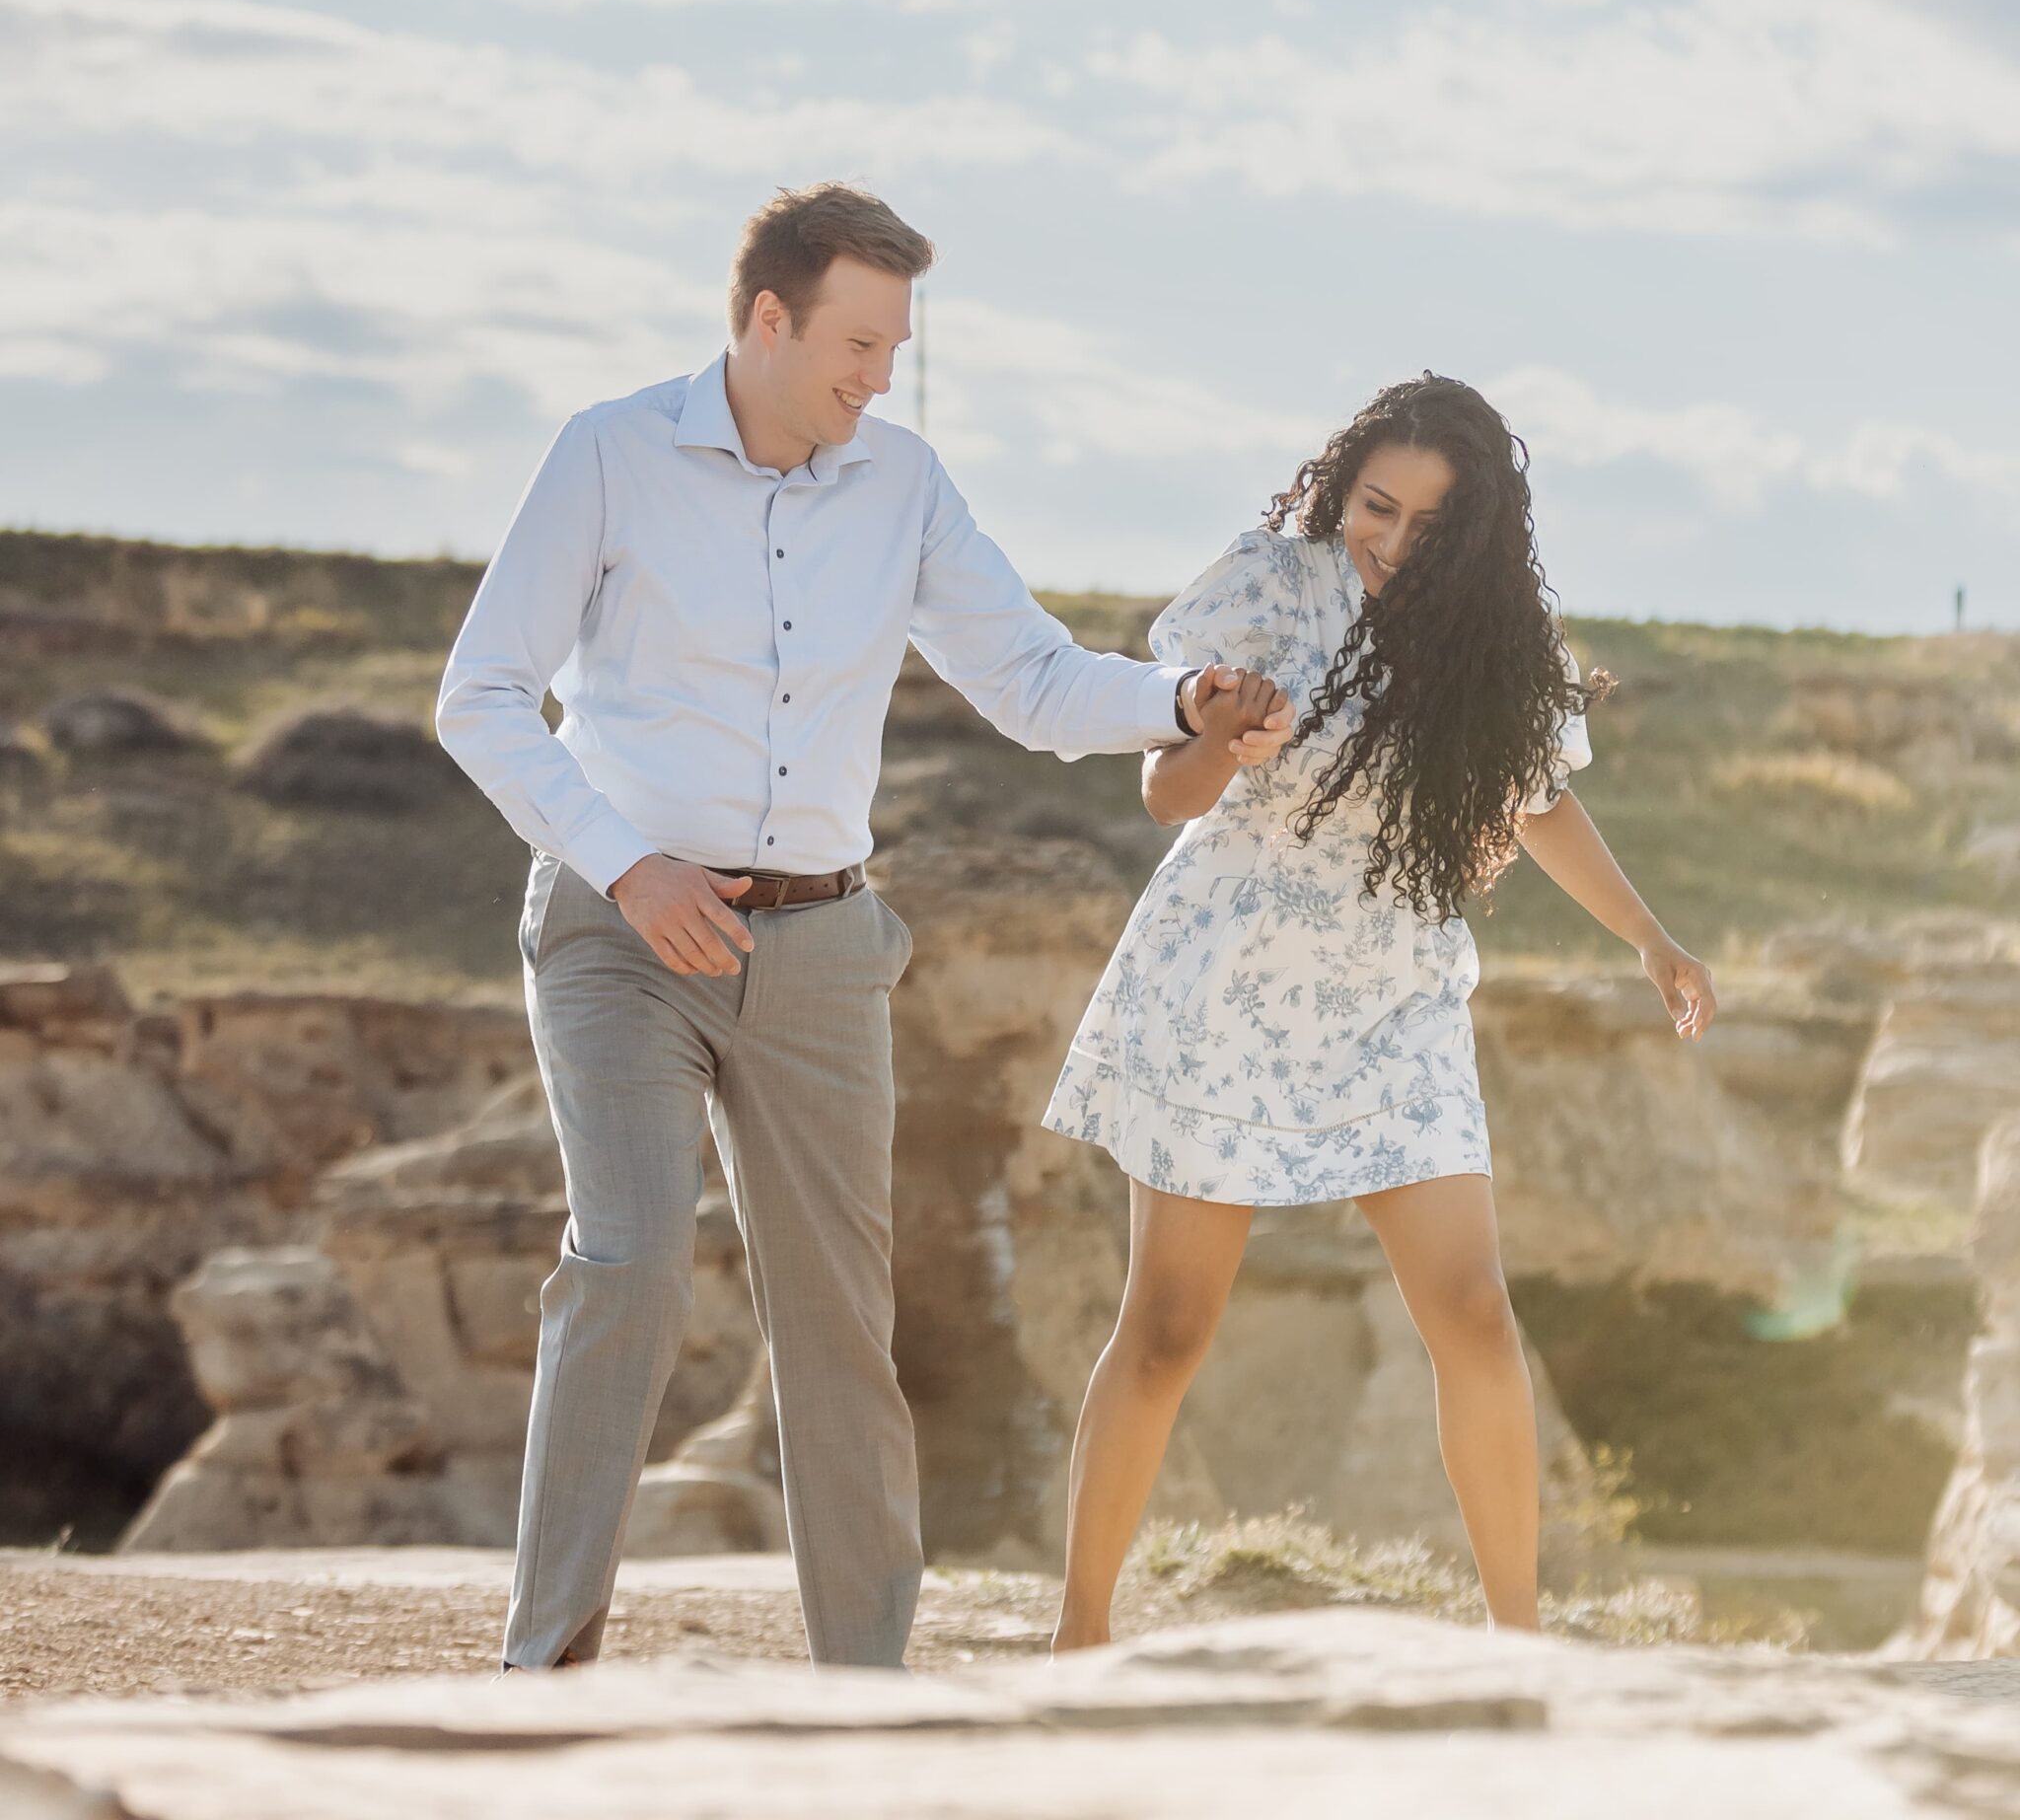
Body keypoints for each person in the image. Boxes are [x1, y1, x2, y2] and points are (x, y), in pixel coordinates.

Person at [436, 182, 1289, 1674]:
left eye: (894, 350)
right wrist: (628, 866)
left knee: (840, 1321)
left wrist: (1177, 702)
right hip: (624, 927)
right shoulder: (610, 454)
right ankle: (542, 1672)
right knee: (626, 1268)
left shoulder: (901, 484)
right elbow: (482, 696)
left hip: (824, 944)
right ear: (766, 320)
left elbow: (1024, 678)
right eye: (856, 343)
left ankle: (866, 1693)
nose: (877, 377)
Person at [1042, 373, 1716, 1648]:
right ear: (1339, 486)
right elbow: (1163, 796)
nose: (1393, 540)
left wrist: (1651, 940)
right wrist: (1220, 740)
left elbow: (1540, 802)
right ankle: (1082, 1635)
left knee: (1471, 1311)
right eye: (1375, 507)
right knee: (1171, 1325)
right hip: (1228, 981)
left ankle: (1519, 1642)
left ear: (1477, 535)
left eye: (1427, 524)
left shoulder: (1501, 643)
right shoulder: (1266, 584)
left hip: (1394, 993)